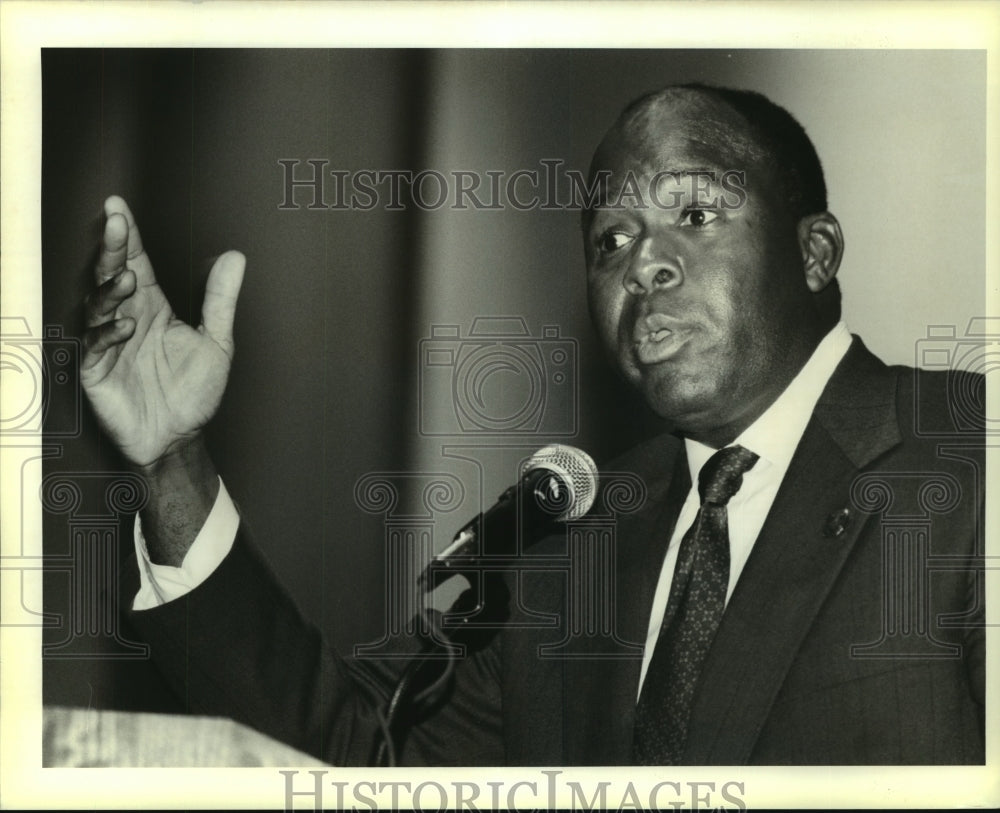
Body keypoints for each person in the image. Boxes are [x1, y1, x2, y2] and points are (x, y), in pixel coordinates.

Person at [81, 83, 985, 765]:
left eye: (696, 214)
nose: (645, 267)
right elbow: (355, 756)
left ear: (815, 252)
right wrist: (171, 461)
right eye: (611, 241)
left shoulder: (966, 459)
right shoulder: (567, 546)